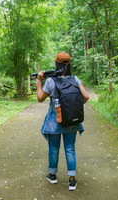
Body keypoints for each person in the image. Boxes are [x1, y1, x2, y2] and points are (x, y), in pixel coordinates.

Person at [36, 52, 90, 191]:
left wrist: (39, 81)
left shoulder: (50, 81)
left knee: (54, 149)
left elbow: (40, 98)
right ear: (68, 64)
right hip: (72, 120)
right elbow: (86, 97)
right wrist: (73, 105)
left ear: (56, 64)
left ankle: (52, 175)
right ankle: (72, 180)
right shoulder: (75, 79)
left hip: (56, 120)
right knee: (70, 148)